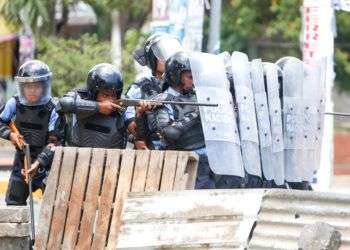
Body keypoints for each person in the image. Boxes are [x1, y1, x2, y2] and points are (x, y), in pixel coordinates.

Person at [136, 52, 215, 189]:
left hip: (210, 163)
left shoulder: (201, 97)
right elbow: (169, 133)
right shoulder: (163, 100)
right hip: (183, 165)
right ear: (176, 76)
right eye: (190, 77)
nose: (194, 81)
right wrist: (195, 114)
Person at [0, 60, 64, 205]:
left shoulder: (53, 108)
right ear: (22, 87)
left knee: (54, 208)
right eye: (28, 86)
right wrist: (10, 134)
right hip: (22, 161)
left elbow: (55, 142)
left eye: (36, 86)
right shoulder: (14, 103)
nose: (32, 90)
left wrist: (38, 164)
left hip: (47, 165)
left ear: (44, 86)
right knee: (13, 204)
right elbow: (1, 121)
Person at [126, 33, 183, 149]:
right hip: (153, 150)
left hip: (185, 146)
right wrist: (140, 115)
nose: (169, 58)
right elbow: (130, 123)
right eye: (162, 53)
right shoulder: (140, 88)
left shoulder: (186, 85)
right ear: (152, 59)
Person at [56, 63, 133, 149]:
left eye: (113, 95)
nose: (110, 100)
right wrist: (98, 107)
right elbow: (64, 104)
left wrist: (140, 115)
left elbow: (136, 133)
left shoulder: (123, 104)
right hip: (76, 156)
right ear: (93, 92)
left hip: (111, 159)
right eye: (105, 95)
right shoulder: (80, 95)